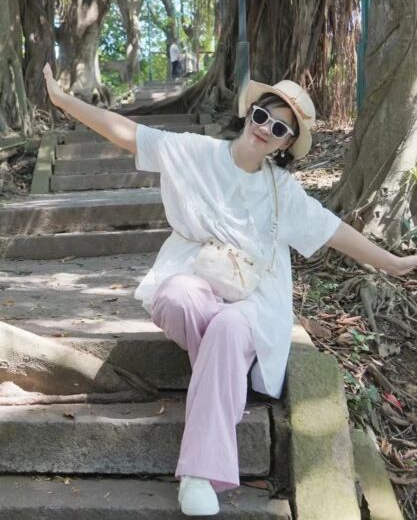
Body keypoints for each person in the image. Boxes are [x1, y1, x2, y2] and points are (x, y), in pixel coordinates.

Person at [43, 63, 417, 516]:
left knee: (228, 327)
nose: (265, 129)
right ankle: (224, 382)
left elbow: (334, 230)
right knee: (177, 298)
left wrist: (394, 262)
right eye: (263, 116)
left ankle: (199, 473)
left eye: (279, 128)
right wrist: (64, 101)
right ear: (249, 113)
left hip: (254, 301)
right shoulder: (197, 153)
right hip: (196, 280)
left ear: (284, 144)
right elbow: (129, 134)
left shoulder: (282, 191)